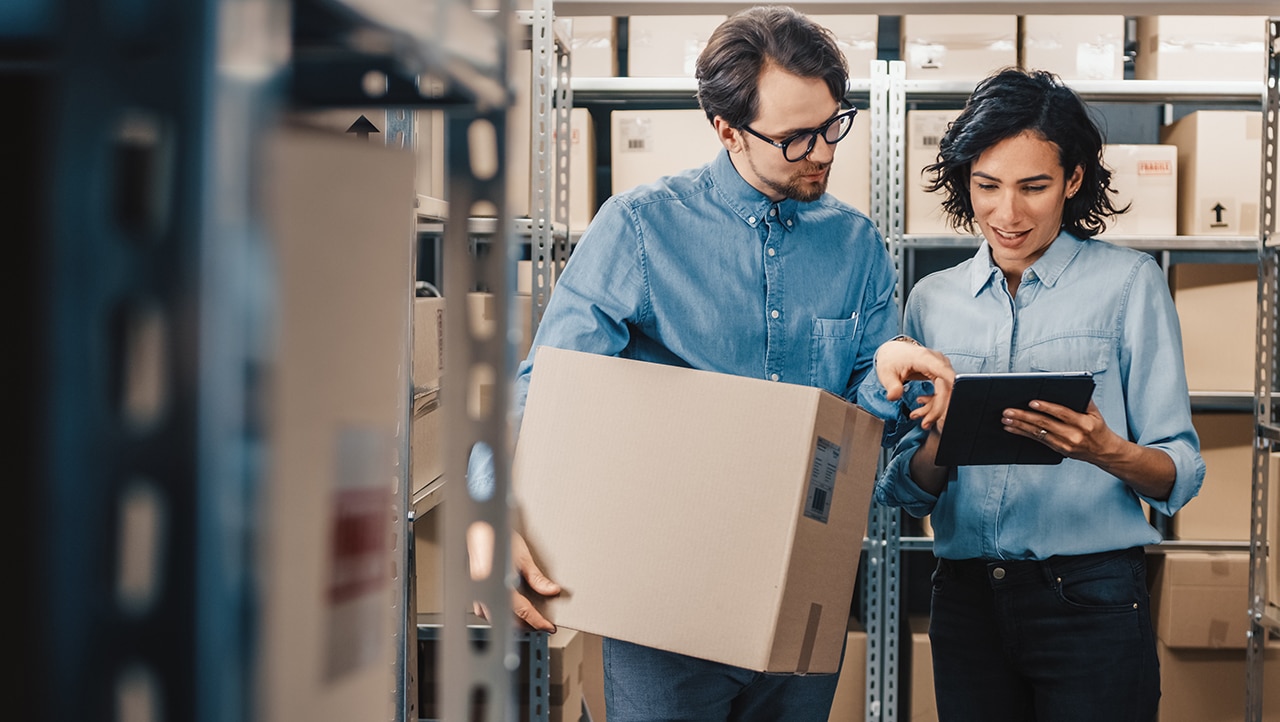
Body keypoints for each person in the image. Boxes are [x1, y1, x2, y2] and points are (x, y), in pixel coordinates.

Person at [471, 6, 957, 721]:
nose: (822, 152)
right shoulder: (639, 228)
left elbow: (856, 421)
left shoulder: (856, 246)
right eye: (794, 138)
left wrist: (882, 370)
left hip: (803, 590)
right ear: (727, 129)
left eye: (833, 125)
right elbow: (544, 391)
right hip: (665, 603)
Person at [875, 67, 1206, 722]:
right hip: (967, 602)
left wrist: (1107, 450)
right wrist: (943, 436)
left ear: (1073, 180)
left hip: (1091, 598)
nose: (1007, 213)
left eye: (1034, 187)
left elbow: (1180, 474)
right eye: (987, 186)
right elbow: (904, 491)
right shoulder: (931, 300)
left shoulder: (1130, 285)